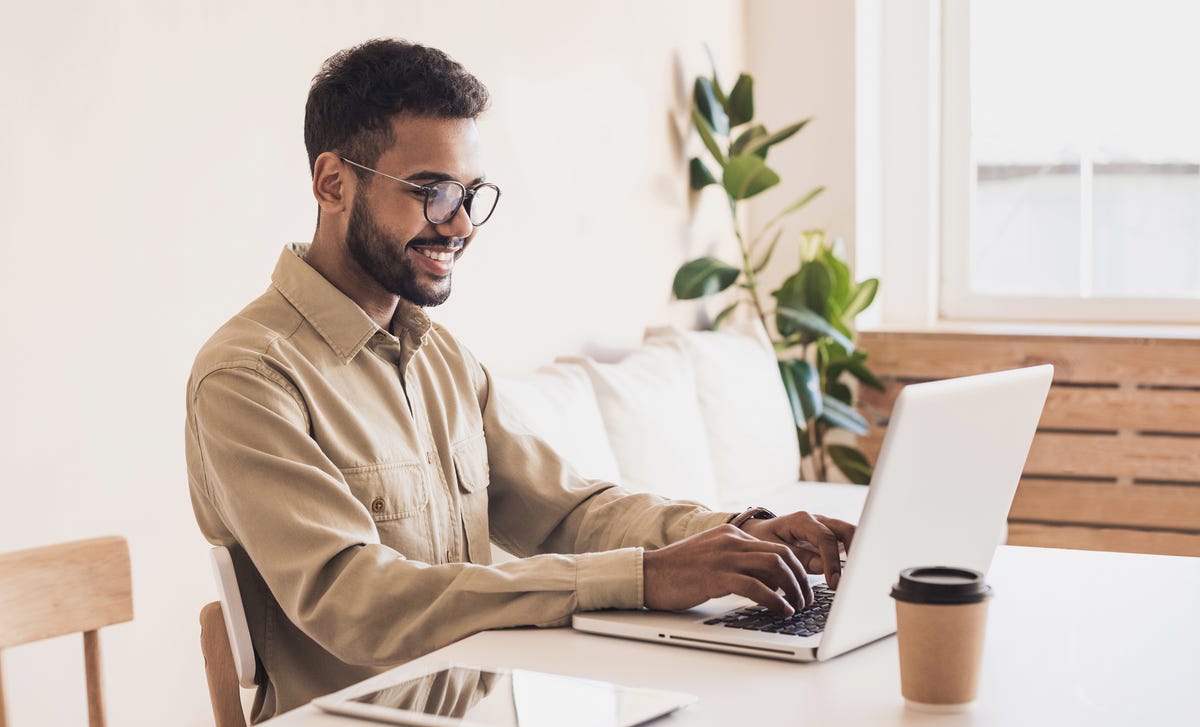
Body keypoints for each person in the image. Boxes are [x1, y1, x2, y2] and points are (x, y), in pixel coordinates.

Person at [185, 38, 855, 722]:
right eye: (433, 192)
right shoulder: (248, 376)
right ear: (333, 183)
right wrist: (647, 579)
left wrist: (736, 536)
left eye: (471, 195)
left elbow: (568, 510)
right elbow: (358, 600)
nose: (461, 225)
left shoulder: (441, 357)